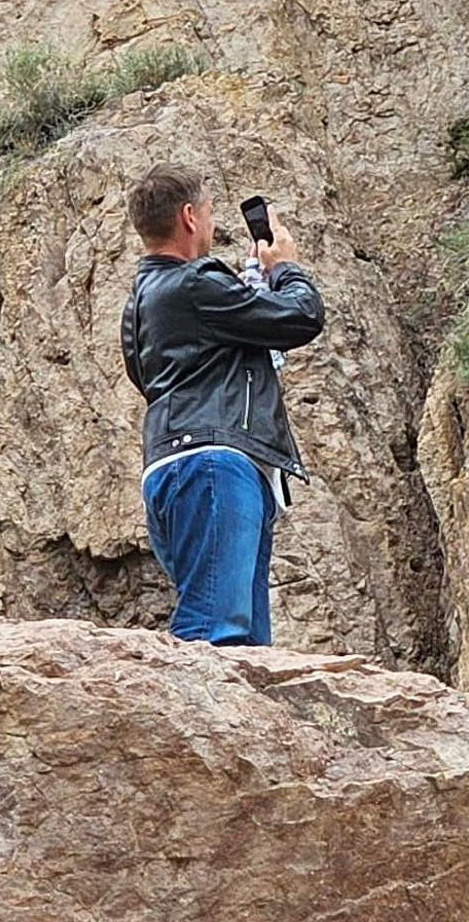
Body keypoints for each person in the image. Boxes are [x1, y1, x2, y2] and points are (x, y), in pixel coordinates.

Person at [120, 163, 325, 646]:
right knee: (215, 629)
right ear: (190, 217)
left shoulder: (141, 303)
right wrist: (284, 270)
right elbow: (301, 318)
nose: (212, 225)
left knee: (246, 646)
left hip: (179, 463)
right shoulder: (196, 283)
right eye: (210, 213)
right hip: (214, 463)